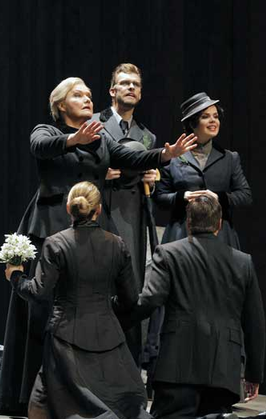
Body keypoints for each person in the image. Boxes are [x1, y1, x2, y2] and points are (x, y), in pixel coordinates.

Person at [0, 76, 197, 412]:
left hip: (89, 233)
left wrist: (166, 155)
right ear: (61, 105)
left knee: (88, 312)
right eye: (78, 95)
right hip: (51, 228)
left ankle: (80, 394)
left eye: (89, 95)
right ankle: (30, 397)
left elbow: (128, 157)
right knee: (44, 312)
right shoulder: (45, 131)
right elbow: (39, 148)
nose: (87, 99)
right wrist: (74, 139)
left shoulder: (101, 137)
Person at [3, 181, 193, 419]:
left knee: (50, 402)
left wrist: (16, 276)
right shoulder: (117, 244)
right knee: (126, 407)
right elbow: (131, 300)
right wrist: (103, 305)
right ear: (99, 210)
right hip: (109, 338)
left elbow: (37, 293)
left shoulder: (56, 243)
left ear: (69, 208)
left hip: (64, 339)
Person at [123, 193, 266, 419]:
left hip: (179, 363)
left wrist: (116, 318)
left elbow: (149, 301)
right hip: (224, 366)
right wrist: (254, 374)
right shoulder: (243, 261)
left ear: (188, 223)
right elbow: (255, 321)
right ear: (219, 224)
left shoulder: (169, 253)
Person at [92, 63, 157, 366]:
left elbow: (149, 181)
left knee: (130, 289)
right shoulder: (93, 124)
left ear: (141, 94)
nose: (131, 87)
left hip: (131, 219)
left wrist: (152, 182)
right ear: (112, 90)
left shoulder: (147, 137)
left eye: (136, 84)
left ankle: (127, 365)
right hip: (98, 214)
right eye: (125, 83)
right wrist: (99, 174)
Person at [155, 92, 252, 249]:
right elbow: (160, 197)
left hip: (220, 236)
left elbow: (245, 196)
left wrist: (219, 197)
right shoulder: (173, 157)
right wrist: (182, 197)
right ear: (193, 123)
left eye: (216, 116)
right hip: (181, 234)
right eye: (206, 116)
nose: (213, 120)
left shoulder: (229, 157)